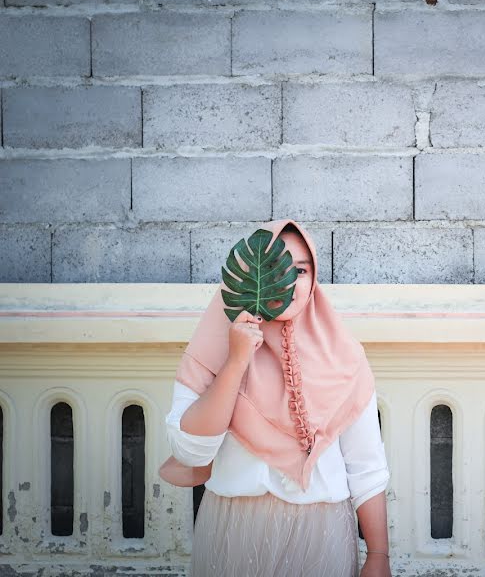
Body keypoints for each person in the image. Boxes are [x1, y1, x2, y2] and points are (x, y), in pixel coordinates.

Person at [159, 219, 391, 577]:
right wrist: (236, 361)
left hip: (322, 532)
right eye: (272, 268)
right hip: (233, 530)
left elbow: (366, 465)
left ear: (313, 279)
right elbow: (191, 450)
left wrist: (378, 556)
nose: (286, 281)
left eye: (299, 269)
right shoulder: (214, 346)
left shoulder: (344, 357)